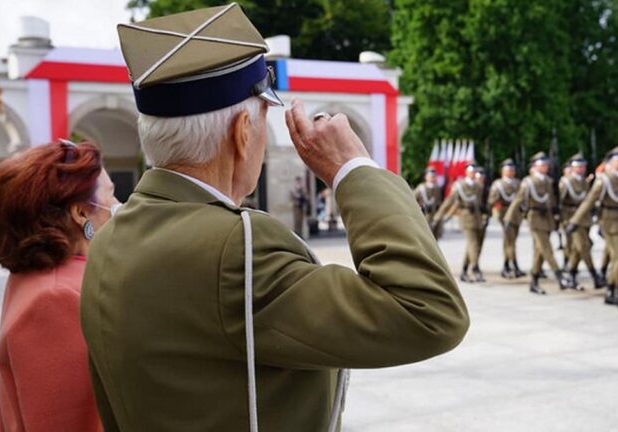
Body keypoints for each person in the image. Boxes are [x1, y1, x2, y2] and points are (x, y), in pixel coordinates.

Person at [81, 6, 470, 431]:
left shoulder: (110, 237)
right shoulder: (238, 248)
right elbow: (429, 312)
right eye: (264, 117)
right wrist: (353, 169)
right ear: (242, 132)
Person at [0, 140, 119, 432]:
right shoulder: (56, 297)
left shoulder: (41, 275)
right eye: (111, 195)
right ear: (80, 213)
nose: (117, 206)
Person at [567, 147, 618, 309]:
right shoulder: (604, 180)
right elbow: (589, 201)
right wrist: (574, 222)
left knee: (617, 259)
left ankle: (610, 291)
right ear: (611, 163)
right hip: (611, 223)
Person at [504, 152, 573, 294]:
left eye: (546, 165)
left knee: (539, 252)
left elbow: (552, 201)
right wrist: (509, 218)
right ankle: (560, 276)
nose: (545, 167)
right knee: (546, 248)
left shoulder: (548, 181)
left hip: (547, 218)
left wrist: (556, 216)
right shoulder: (528, 182)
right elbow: (518, 200)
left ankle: (534, 281)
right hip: (534, 218)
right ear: (535, 166)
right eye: (542, 165)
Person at [560, 153, 605, 290]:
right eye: (578, 167)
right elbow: (559, 202)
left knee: (578, 248)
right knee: (584, 247)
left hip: (585, 219)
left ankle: (570, 274)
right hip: (572, 219)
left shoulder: (584, 182)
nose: (581, 169)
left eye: (583, 166)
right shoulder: (566, 182)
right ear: (573, 168)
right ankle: (594, 276)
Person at [435, 164, 486, 282]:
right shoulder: (459, 186)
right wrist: (438, 217)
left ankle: (464, 270)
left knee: (473, 245)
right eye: (471, 172)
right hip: (466, 217)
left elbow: (480, 204)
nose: (473, 174)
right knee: (473, 243)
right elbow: (449, 202)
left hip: (477, 218)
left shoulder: (478, 186)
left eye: (474, 172)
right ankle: (475, 268)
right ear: (466, 173)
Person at [488, 159, 525, 278]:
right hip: (504, 214)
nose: (511, 172)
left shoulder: (518, 183)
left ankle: (507, 265)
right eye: (508, 170)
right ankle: (514, 265)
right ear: (502, 172)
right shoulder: (498, 184)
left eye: (512, 170)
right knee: (510, 241)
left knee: (511, 240)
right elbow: (491, 200)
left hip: (516, 215)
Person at [414, 167, 443, 237]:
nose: (433, 178)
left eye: (434, 176)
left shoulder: (437, 188)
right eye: (431, 176)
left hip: (435, 216)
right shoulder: (421, 188)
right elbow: (412, 199)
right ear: (426, 177)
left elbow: (440, 201)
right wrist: (420, 208)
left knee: (435, 237)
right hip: (425, 216)